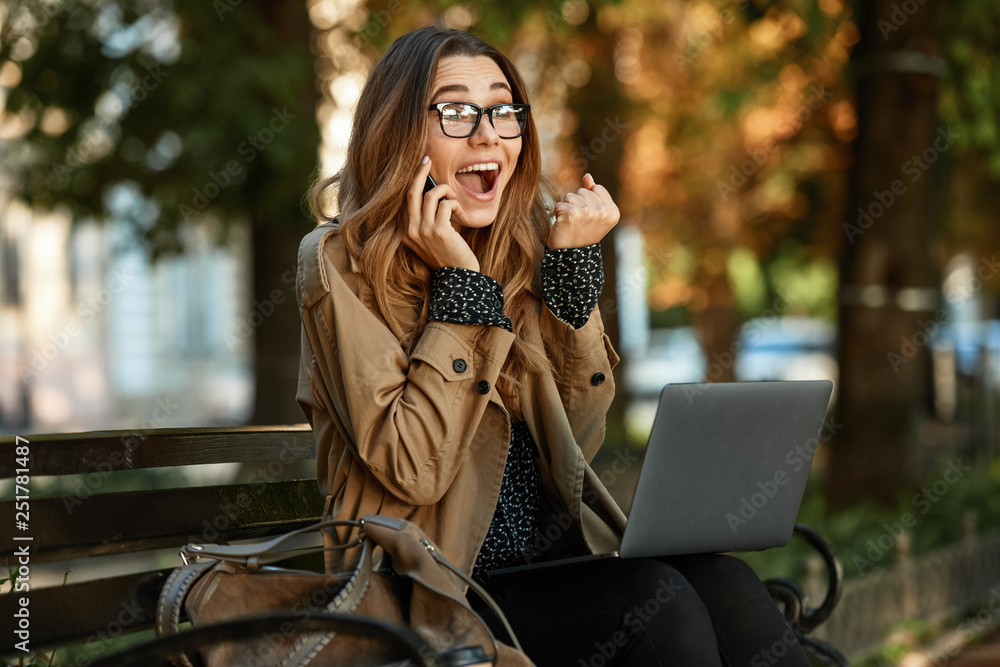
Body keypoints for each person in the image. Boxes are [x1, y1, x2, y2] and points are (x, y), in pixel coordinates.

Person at [295, 25, 810, 667]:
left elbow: (581, 438)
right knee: (657, 600)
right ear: (398, 131)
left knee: (725, 583)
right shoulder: (339, 262)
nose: (488, 133)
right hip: (432, 592)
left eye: (503, 110)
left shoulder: (518, 249)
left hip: (550, 567)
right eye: (455, 111)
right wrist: (461, 294)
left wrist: (568, 282)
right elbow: (412, 468)